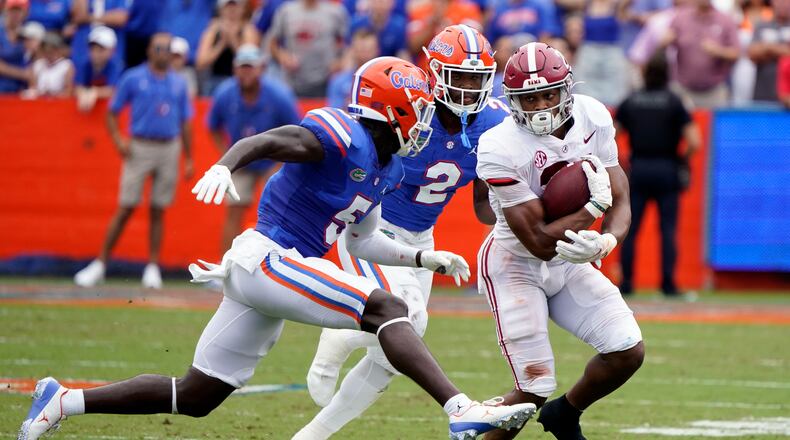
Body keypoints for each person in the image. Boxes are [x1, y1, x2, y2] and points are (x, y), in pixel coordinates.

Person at [18, 56, 537, 440]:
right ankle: (459, 407)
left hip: (274, 271)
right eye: (418, 107)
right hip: (268, 257)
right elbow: (269, 140)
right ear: (394, 109)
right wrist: (226, 164)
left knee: (197, 395)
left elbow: (363, 240)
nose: (426, 117)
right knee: (386, 308)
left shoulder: (391, 167)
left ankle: (62, 401)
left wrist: (426, 258)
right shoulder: (341, 134)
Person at [295, 24, 510, 440]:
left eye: (476, 79)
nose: (467, 89)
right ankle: (338, 335)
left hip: (421, 238)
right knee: (408, 318)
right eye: (459, 76)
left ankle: (314, 434)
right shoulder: (412, 110)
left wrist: (512, 205)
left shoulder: (493, 125)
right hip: (373, 229)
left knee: (396, 356)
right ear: (435, 71)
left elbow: (483, 207)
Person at [474, 42, 645, 440]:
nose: (541, 105)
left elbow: (620, 196)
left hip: (568, 263)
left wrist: (606, 242)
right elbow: (536, 241)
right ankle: (474, 423)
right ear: (513, 101)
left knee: (626, 350)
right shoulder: (499, 145)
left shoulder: (593, 115)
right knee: (532, 387)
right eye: (529, 98)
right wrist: (591, 211)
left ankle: (566, 414)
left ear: (567, 88)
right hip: (514, 264)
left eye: (549, 93)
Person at [72, 33, 194, 289]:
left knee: (159, 208)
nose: (163, 53)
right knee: (126, 205)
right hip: (140, 144)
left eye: (167, 49)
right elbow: (112, 111)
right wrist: (118, 140)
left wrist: (189, 157)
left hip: (168, 146)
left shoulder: (179, 83)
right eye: (158, 48)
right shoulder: (133, 77)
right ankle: (100, 263)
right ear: (149, 51)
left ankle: (152, 267)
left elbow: (186, 121)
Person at [616, 52, 700, 297]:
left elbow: (611, 134)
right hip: (667, 168)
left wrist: (622, 161)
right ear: (667, 74)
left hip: (639, 168)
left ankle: (627, 283)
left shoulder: (631, 100)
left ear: (644, 73)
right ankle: (668, 284)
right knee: (668, 228)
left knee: (630, 228)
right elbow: (695, 141)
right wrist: (682, 160)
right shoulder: (675, 101)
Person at [207, 44, 300, 253]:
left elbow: (298, 132)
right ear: (234, 69)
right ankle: (225, 268)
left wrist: (280, 163)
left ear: (262, 69)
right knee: (233, 211)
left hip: (272, 159)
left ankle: (283, 265)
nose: (246, 72)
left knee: (280, 213)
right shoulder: (224, 93)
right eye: (242, 67)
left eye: (250, 67)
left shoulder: (279, 95)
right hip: (242, 160)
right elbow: (213, 126)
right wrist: (228, 156)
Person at [663, 0, 740, 108]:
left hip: (714, 91)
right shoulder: (680, 18)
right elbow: (664, 42)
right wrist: (665, 41)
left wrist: (719, 51)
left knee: (713, 124)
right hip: (683, 90)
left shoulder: (725, 20)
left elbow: (736, 53)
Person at [268, 0, 348, 97]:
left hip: (325, 80)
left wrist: (339, 62)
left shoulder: (335, 11)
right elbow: (272, 43)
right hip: (293, 80)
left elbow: (348, 43)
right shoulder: (286, 11)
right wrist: (283, 57)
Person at [195, 0, 257, 96]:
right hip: (215, 81)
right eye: (228, 7)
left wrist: (233, 40)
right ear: (221, 10)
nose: (232, 10)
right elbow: (200, 62)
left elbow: (251, 61)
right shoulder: (212, 30)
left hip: (241, 81)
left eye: (235, 7)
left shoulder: (248, 30)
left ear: (242, 9)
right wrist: (221, 44)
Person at [747, 0, 790, 102]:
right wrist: (782, 50)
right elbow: (752, 54)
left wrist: (768, 48)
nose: (783, 4)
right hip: (763, 92)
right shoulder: (761, 25)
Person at [326, 28, 380, 109]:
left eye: (369, 50)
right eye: (361, 49)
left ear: (377, 50)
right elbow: (335, 113)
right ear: (353, 50)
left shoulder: (385, 83)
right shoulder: (338, 81)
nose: (365, 54)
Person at [75, 26, 123, 112]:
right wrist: (83, 93)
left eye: (101, 50)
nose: (95, 53)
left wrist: (94, 92)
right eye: (92, 49)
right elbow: (78, 87)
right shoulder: (84, 64)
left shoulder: (116, 65)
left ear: (112, 50)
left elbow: (114, 91)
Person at [26, 32, 74, 98]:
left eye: (51, 48)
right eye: (44, 48)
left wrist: (52, 95)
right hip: (39, 102)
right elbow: (32, 88)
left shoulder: (66, 65)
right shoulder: (37, 65)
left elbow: (68, 91)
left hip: (58, 103)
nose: (48, 51)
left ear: (57, 49)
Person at [0, 0, 30, 94]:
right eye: (12, 10)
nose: (15, 14)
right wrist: (22, 74)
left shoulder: (28, 33)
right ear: (6, 10)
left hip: (21, 88)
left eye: (19, 11)